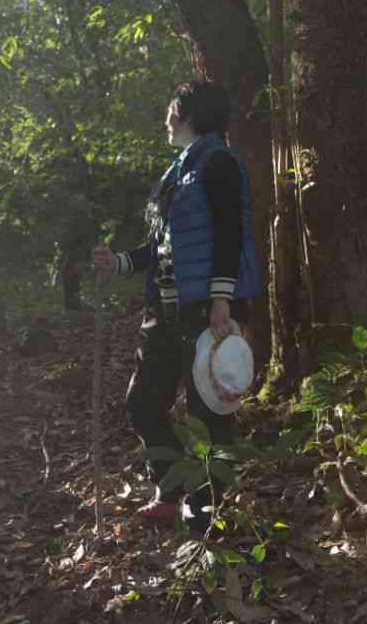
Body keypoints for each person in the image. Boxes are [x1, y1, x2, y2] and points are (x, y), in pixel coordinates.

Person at [92, 79, 260, 533]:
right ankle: (169, 488)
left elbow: (229, 235)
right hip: (165, 312)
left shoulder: (219, 162)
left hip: (208, 309)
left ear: (187, 114)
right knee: (143, 402)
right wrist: (121, 262)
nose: (165, 119)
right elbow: (162, 246)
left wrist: (222, 302)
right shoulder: (179, 171)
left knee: (208, 415)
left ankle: (205, 512)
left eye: (171, 110)